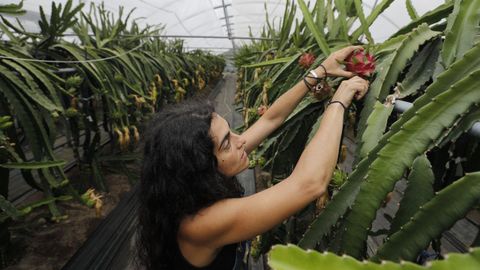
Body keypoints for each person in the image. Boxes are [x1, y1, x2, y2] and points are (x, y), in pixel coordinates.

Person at [136, 46, 370, 270]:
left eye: (231, 131)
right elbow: (309, 184)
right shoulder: (199, 224)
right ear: (200, 167)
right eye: (227, 143)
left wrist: (320, 71)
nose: (241, 141)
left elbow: (271, 119)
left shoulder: (186, 193)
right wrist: (339, 102)